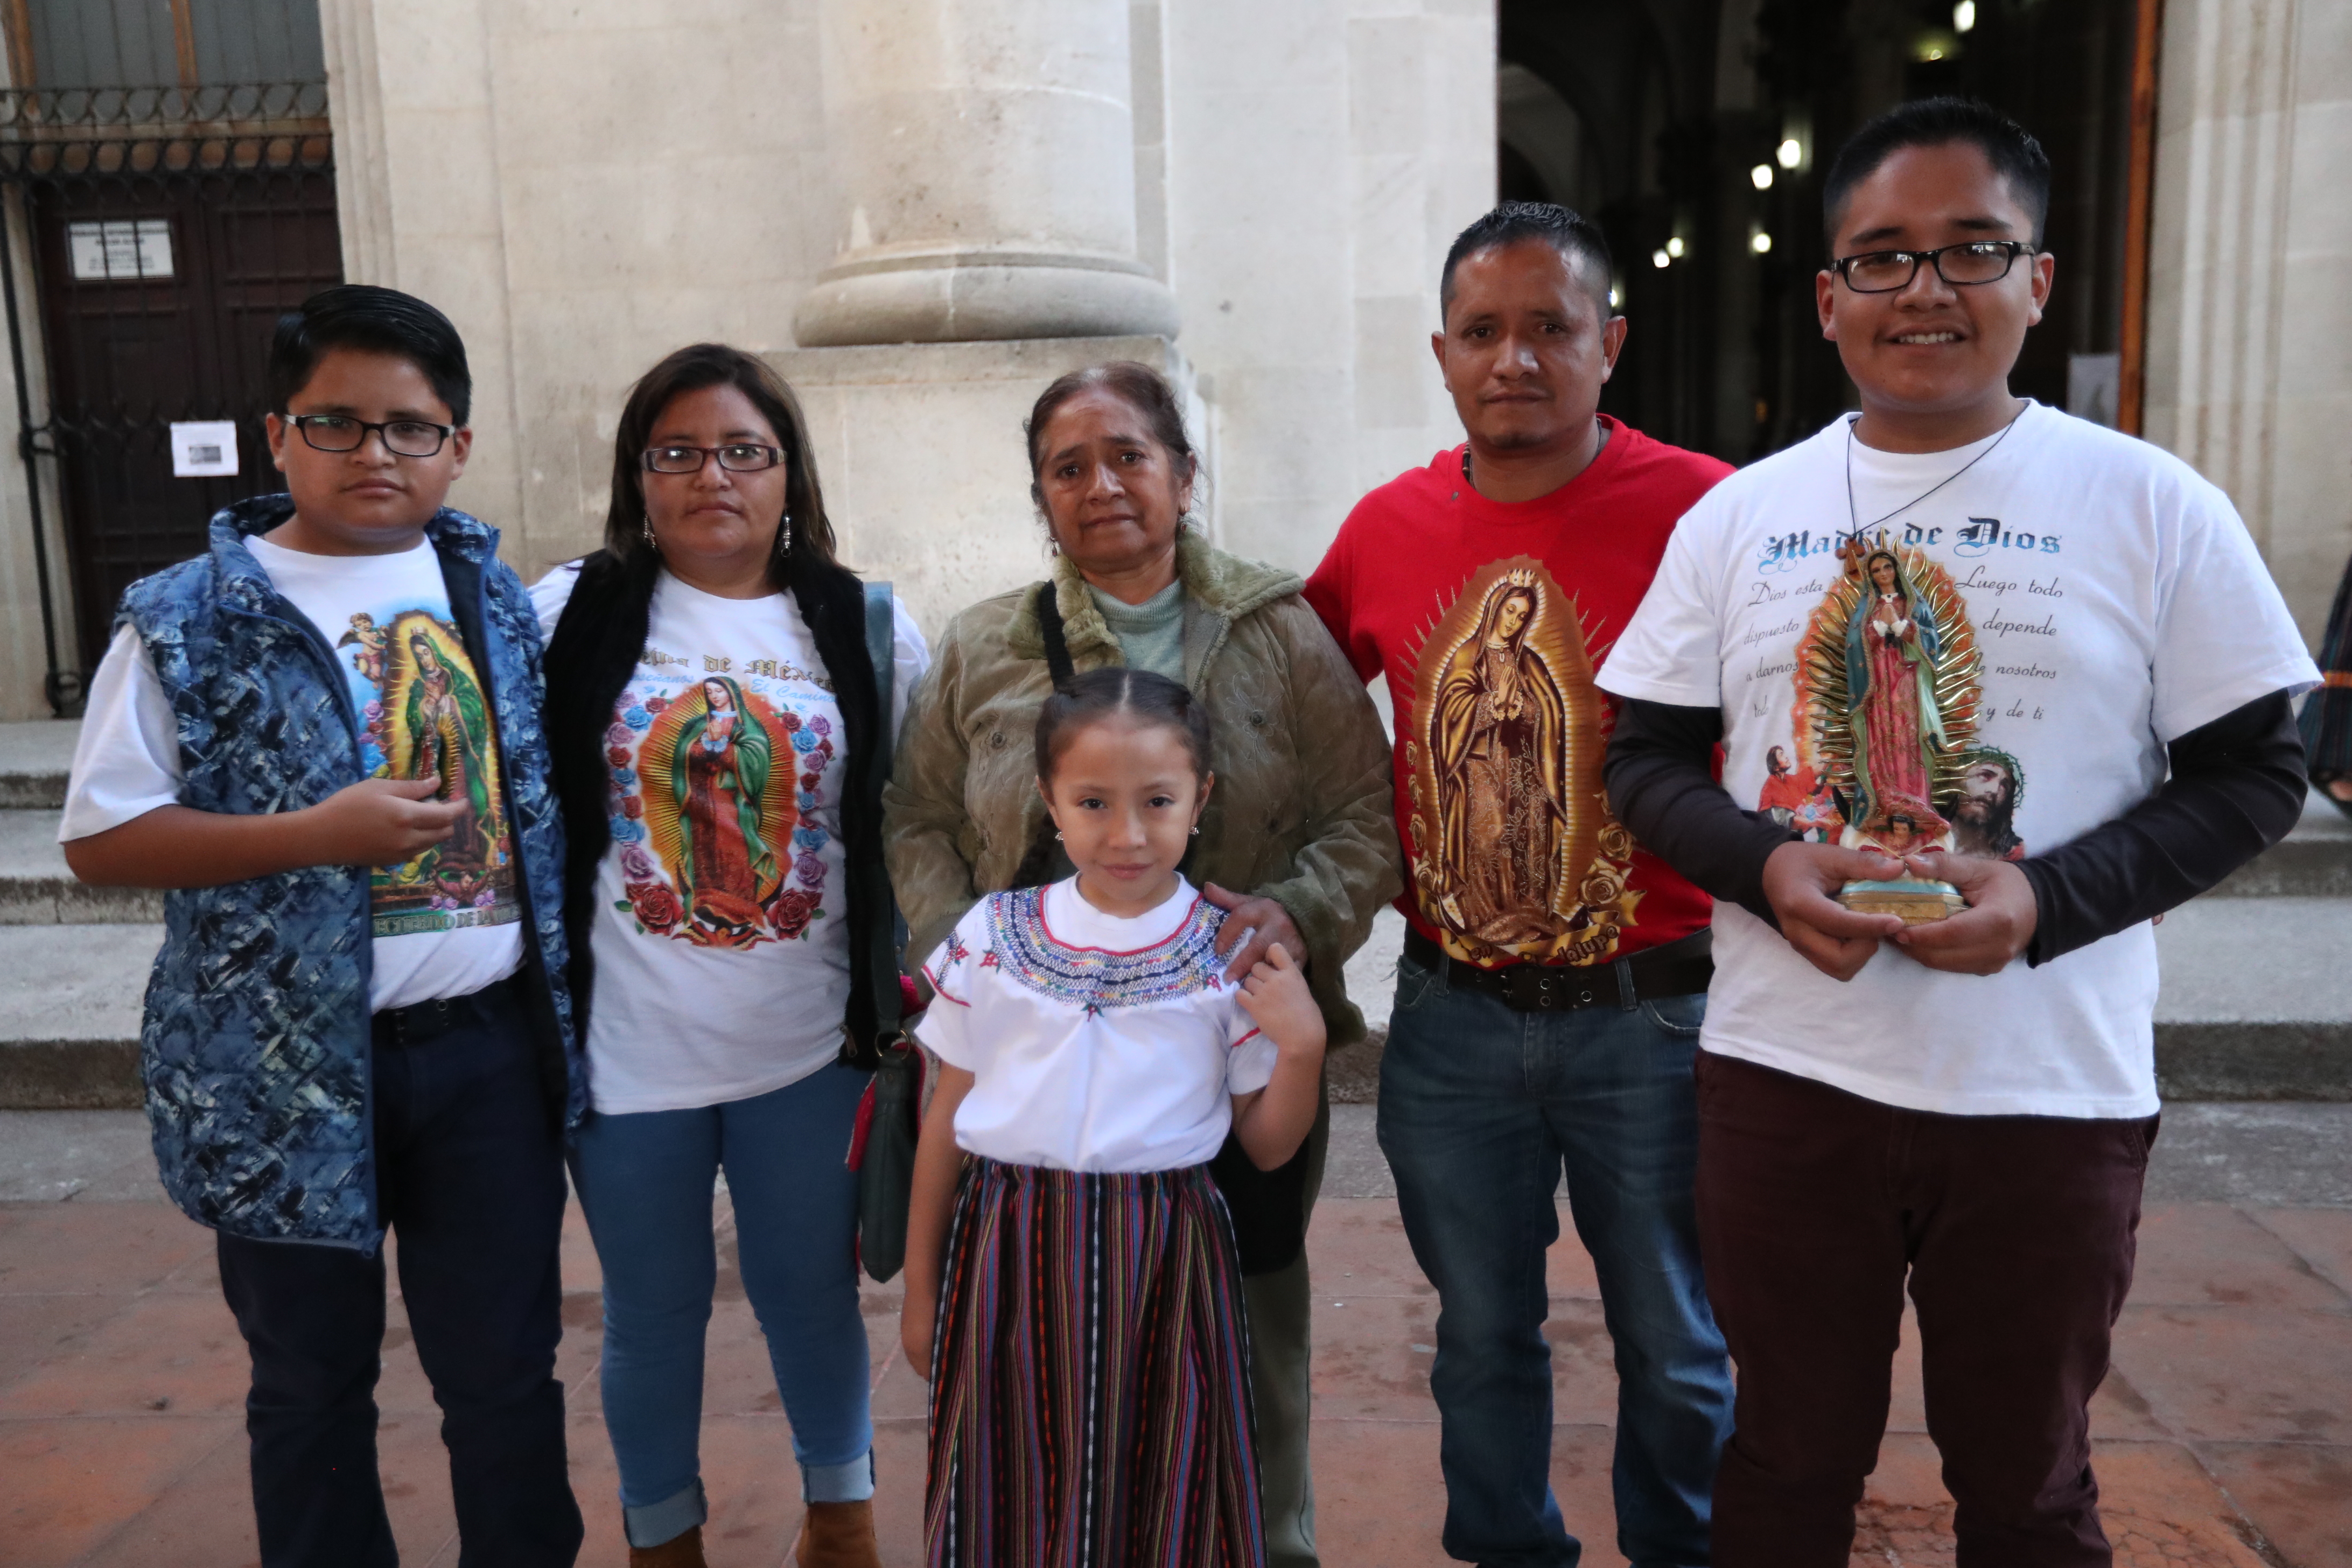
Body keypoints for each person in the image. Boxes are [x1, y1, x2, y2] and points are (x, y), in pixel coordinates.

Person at [1597, 98, 2315, 1566]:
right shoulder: (1744, 516)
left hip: (2046, 1097)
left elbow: (2255, 773)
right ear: (1827, 296)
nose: (1925, 287)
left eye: (1972, 249)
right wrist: (1767, 862)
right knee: (1787, 1462)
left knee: (2029, 1484)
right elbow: (1647, 759)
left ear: (2037, 281)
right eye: (1882, 256)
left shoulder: (2153, 506)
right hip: (1791, 1079)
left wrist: (2047, 902)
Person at [58, 285, 585, 1566]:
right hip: (279, 1072)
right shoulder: (181, 617)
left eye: (410, 428)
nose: (375, 456)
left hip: (483, 1058)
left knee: (507, 1374)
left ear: (457, 443)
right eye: (337, 424)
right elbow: (101, 837)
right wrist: (315, 835)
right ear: (276, 433)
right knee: (307, 1387)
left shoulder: (495, 598)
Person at [883, 361, 1398, 1568]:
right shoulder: (987, 646)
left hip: (1234, 1040)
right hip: (1040, 1057)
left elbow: (1366, 816)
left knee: (1244, 1323)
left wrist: (1285, 920)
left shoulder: (1279, 630)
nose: (1102, 485)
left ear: (1182, 472)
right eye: (1069, 467)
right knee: (1032, 1361)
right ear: (1041, 496)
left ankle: (1261, 1542)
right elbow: (912, 816)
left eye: (1128, 455)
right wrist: (974, 956)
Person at [1301, 202, 1735, 1567]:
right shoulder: (1386, 529)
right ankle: (1510, 1549)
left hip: (1653, 1012)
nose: (1515, 358)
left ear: (1611, 342)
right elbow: (1295, 713)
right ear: (1441, 353)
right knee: (1481, 1334)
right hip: (1456, 1016)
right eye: (1483, 331)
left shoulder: (1710, 510)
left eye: (1551, 327)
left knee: (1678, 1341)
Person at [534, 344, 927, 1568]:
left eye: (744, 451)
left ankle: (843, 1518)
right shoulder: (572, 610)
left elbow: (912, 811)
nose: (714, 475)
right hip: (628, 1051)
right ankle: (665, 1540)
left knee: (811, 1295)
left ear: (789, 474)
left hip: (807, 1044)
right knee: (649, 1314)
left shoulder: (863, 622)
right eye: (680, 452)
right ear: (639, 476)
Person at [899, 667, 1328, 1568]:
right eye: (1093, 801)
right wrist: (922, 1285)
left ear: (1200, 798)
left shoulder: (1228, 953)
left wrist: (1302, 1049)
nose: (1127, 834)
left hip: (1168, 1253)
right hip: (1008, 1246)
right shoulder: (992, 934)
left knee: (1165, 1469)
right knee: (1006, 1475)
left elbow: (1265, 1142)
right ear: (1049, 803)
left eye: (1158, 800)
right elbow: (948, 1112)